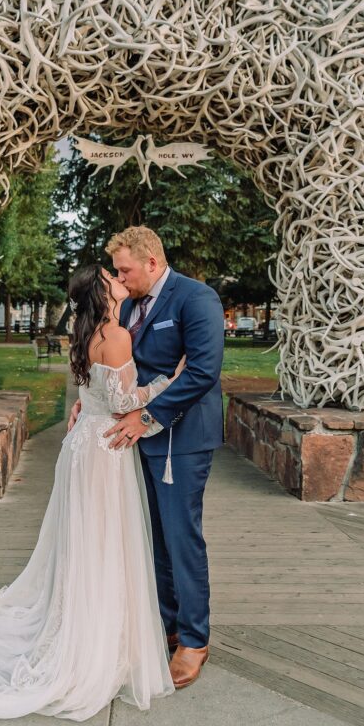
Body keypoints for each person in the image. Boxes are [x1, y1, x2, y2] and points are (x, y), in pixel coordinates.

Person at [0, 263, 183, 721]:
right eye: (111, 276)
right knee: (105, 541)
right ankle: (99, 641)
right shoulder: (115, 335)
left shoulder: (85, 331)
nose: (119, 277)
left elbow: (94, 392)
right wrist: (169, 380)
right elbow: (124, 403)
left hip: (82, 447)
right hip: (105, 449)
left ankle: (89, 621)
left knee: (87, 541)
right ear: (103, 290)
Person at [67, 226, 225, 690]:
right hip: (134, 440)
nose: (120, 277)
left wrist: (147, 416)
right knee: (152, 539)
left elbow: (201, 372)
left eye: (125, 269)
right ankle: (167, 625)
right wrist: (90, 399)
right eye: (117, 271)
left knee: (182, 539)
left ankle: (195, 641)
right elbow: (114, 367)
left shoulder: (196, 299)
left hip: (180, 439)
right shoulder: (130, 304)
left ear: (152, 263)